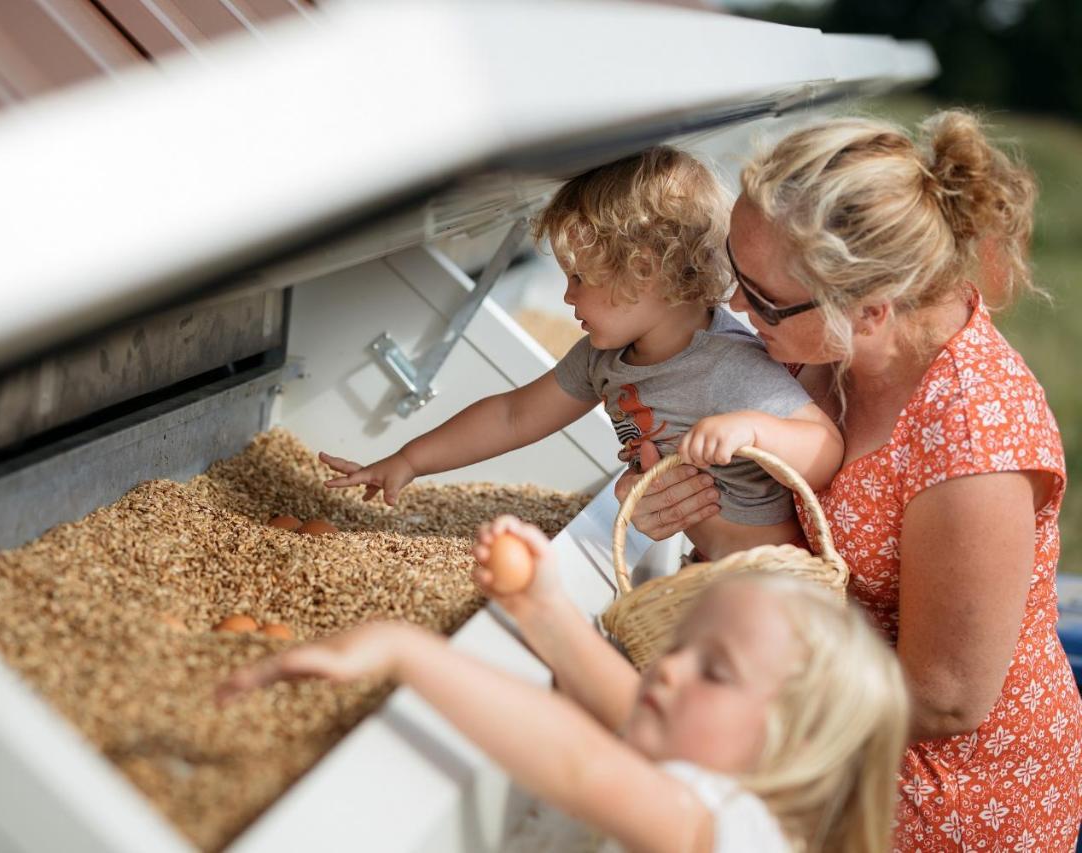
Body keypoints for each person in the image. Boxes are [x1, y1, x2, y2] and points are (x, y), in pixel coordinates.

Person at [618, 110, 1082, 850]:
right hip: (833, 746)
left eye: (762, 297)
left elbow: (944, 699)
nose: (738, 308)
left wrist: (744, 548)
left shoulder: (974, 438)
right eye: (736, 272)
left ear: (870, 309)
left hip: (942, 802)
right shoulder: (824, 349)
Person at [220, 516, 909, 853]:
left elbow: (583, 764)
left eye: (715, 670)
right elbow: (630, 705)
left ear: (792, 742)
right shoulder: (720, 785)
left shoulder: (733, 833)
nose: (668, 666)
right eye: (686, 647)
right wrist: (546, 612)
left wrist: (411, 652)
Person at [320, 147, 843, 561]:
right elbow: (513, 414)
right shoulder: (601, 359)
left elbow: (823, 451)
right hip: (704, 570)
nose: (567, 296)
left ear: (642, 272)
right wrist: (409, 461)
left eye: (578, 278)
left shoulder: (729, 366)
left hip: (773, 580)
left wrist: (754, 430)